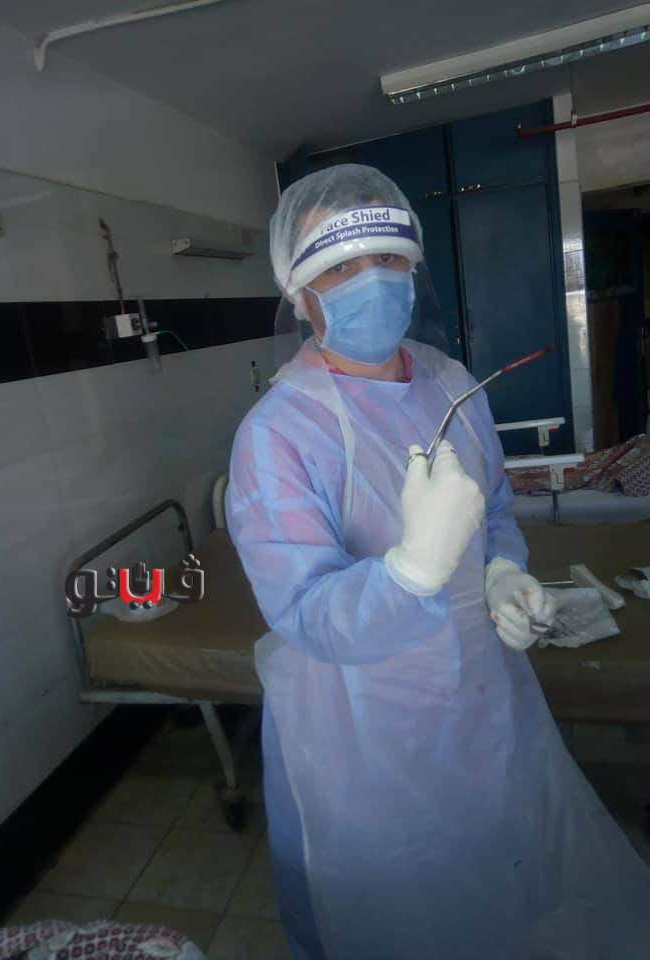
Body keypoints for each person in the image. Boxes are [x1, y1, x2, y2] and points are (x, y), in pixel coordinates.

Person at [225, 164, 650, 959]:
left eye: (388, 258)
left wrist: (500, 572)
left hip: (486, 692)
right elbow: (306, 614)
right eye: (341, 268)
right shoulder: (277, 436)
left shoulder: (451, 382)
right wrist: (414, 568)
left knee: (515, 878)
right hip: (364, 724)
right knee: (405, 913)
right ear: (299, 292)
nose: (372, 281)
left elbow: (495, 511)